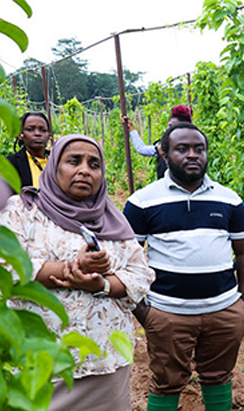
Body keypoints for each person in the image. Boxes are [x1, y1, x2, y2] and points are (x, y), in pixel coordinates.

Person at [0, 133, 154, 411]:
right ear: (54, 166)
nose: (85, 170)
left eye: (94, 164)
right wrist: (70, 269)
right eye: (74, 161)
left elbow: (141, 274)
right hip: (40, 365)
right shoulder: (23, 212)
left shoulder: (112, 219)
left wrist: (101, 285)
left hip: (105, 364)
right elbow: (6, 267)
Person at [123, 122, 244, 411]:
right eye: (182, 149)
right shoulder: (142, 201)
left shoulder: (229, 199)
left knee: (219, 377)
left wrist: (243, 306)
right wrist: (145, 312)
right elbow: (125, 259)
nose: (192, 155)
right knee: (166, 381)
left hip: (224, 311)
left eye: (199, 149)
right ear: (164, 154)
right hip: (167, 313)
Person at [120, 104, 193, 179]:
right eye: (169, 126)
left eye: (173, 127)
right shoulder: (163, 147)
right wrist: (132, 128)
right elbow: (141, 149)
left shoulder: (192, 151)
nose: (169, 129)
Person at [7, 112, 52, 188]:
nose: (37, 133)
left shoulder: (57, 160)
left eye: (43, 130)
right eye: (30, 129)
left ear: (49, 135)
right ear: (21, 134)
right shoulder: (11, 164)